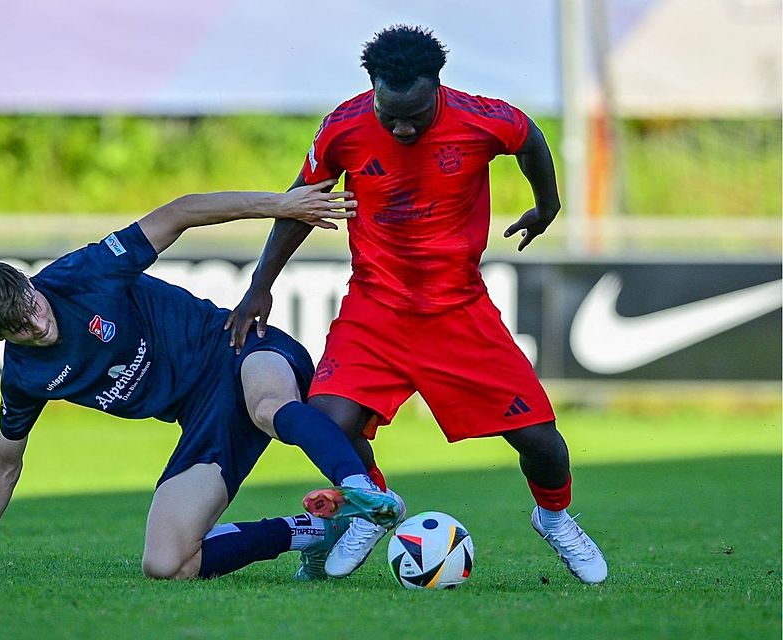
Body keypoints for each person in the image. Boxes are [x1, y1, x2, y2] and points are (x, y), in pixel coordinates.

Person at [226, 25, 607, 584]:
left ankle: (554, 517)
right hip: (374, 309)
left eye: (416, 115)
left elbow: (531, 141)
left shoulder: (483, 119)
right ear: (373, 88)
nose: (402, 126)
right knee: (328, 423)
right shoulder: (343, 127)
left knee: (541, 441)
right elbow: (298, 204)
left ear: (437, 88)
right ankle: (374, 505)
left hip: (459, 310)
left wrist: (546, 205)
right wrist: (261, 284)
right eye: (390, 113)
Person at [0, 181, 403, 582]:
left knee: (267, 407)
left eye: (33, 305)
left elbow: (181, 212)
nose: (37, 323)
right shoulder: (25, 377)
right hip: (203, 419)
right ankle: (314, 531)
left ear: (30, 283)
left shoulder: (81, 275)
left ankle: (362, 494)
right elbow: (5, 464)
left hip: (237, 347)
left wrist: (280, 204)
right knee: (166, 563)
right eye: (19, 327)